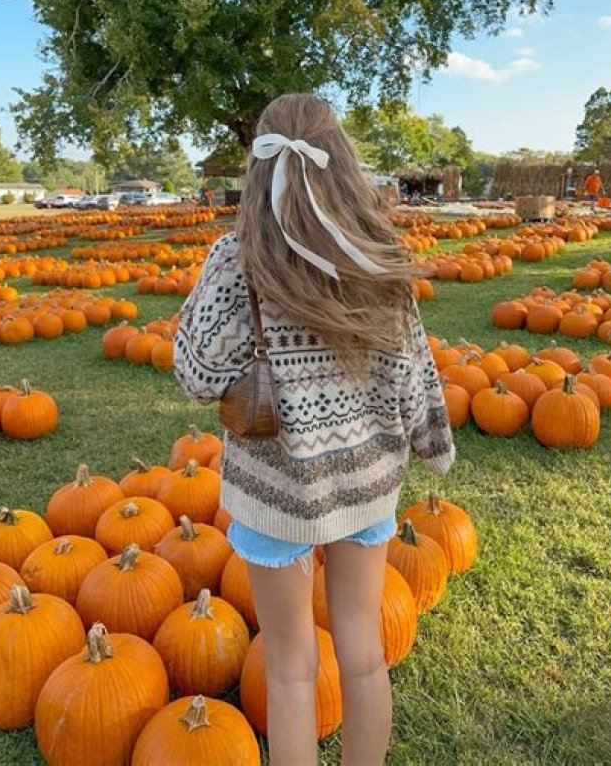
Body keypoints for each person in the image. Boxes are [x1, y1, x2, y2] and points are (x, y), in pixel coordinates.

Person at [174, 94, 455, 766]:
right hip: (365, 486)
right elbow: (411, 376)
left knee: (292, 669)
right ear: (345, 165)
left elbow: (195, 369)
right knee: (362, 656)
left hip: (274, 492)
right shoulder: (378, 258)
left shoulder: (237, 257)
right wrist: (432, 443)